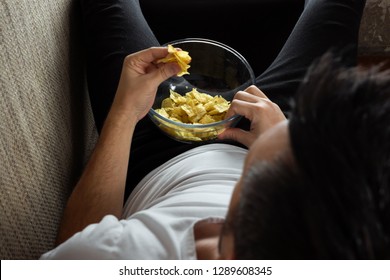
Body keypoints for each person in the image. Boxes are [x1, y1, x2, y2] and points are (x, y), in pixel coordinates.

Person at [40, 0, 390, 259]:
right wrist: (278, 138)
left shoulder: (123, 256)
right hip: (261, 126)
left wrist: (123, 113)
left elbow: (75, 241)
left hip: (152, 157)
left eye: (257, 171)